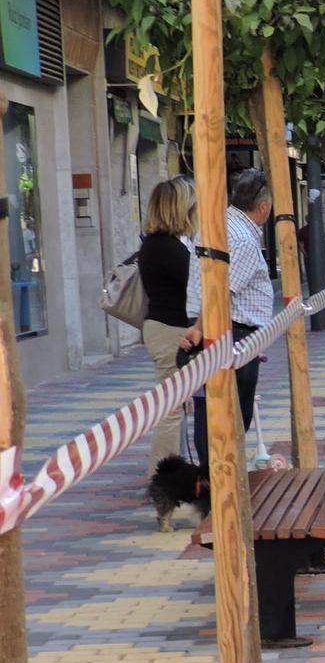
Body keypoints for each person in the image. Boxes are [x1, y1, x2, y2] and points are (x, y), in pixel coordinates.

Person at [179, 167, 276, 473]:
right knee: (231, 415)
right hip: (233, 333)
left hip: (220, 330)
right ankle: (220, 484)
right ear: (264, 207)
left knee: (212, 409)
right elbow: (220, 296)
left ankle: (216, 477)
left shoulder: (217, 225)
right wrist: (199, 329)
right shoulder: (243, 240)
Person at [137, 175, 196, 467]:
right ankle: (163, 477)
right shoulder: (168, 249)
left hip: (165, 327)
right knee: (171, 408)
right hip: (169, 330)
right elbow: (195, 287)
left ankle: (172, 471)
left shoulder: (157, 244)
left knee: (175, 405)